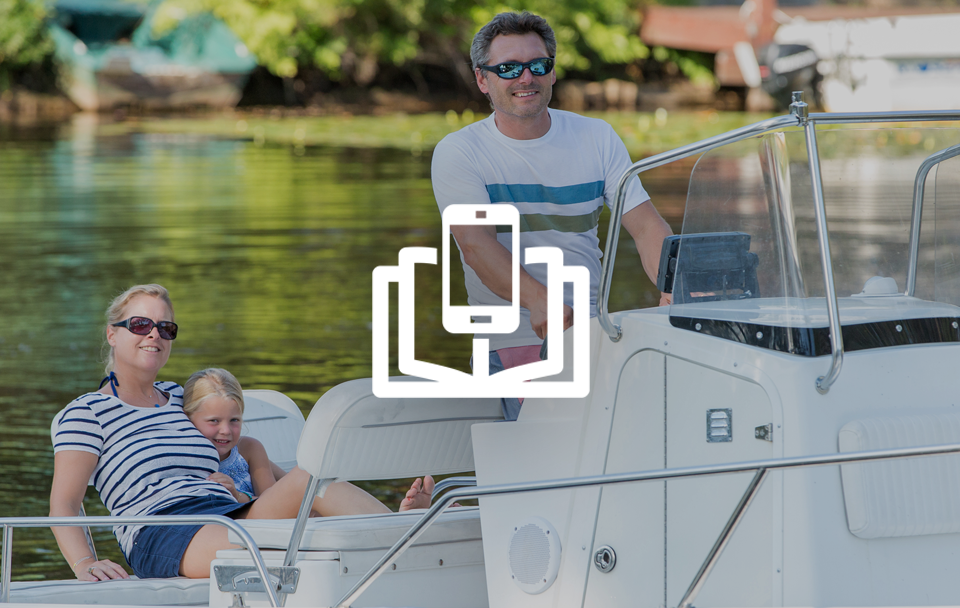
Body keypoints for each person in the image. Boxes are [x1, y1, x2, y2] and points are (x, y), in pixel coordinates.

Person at [50, 284, 434, 581]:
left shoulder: (184, 399)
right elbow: (65, 504)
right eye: (140, 325)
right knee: (305, 509)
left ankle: (400, 528)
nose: (154, 335)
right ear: (112, 334)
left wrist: (298, 490)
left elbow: (247, 453)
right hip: (164, 531)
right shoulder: (87, 413)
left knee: (311, 480)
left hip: (230, 512)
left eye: (165, 327)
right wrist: (85, 562)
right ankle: (409, 540)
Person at [431, 11, 675, 421]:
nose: (525, 78)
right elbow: (475, 245)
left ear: (552, 73)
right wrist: (540, 300)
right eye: (508, 68)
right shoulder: (460, 152)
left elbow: (647, 225)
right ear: (482, 80)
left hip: (594, 337)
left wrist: (673, 282)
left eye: (537, 65)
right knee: (537, 471)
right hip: (509, 342)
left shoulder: (597, 137)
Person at [182, 368, 286, 503]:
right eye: (214, 421)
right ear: (187, 418)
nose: (225, 430)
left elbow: (275, 505)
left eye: (234, 420)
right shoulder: (182, 459)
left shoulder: (249, 449)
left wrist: (237, 496)